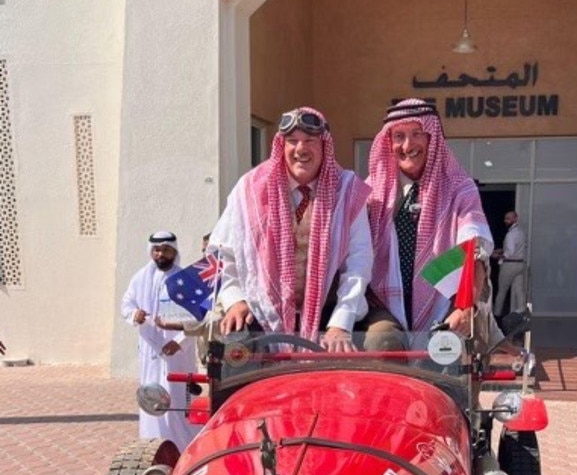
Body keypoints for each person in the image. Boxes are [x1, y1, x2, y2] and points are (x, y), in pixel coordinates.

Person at [207, 106, 405, 352]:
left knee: (384, 338)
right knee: (232, 343)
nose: (300, 149)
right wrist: (235, 300)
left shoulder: (347, 191)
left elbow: (358, 264)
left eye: (310, 140)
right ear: (282, 145)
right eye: (292, 141)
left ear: (324, 146)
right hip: (264, 308)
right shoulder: (249, 189)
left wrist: (340, 324)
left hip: (330, 307)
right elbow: (222, 254)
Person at [367, 98, 499, 348]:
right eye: (399, 136)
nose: (407, 145)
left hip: (445, 306)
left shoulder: (460, 189)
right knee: (380, 342)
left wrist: (463, 307)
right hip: (385, 306)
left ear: (431, 138)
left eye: (417, 134)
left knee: (447, 363)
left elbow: (475, 252)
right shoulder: (372, 191)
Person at [120, 230, 197, 451]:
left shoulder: (185, 280)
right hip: (150, 351)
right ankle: (153, 447)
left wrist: (179, 341)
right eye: (156, 250)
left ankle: (183, 449)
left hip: (177, 353)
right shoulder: (140, 278)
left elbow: (197, 317)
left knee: (176, 400)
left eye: (165, 249)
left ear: (174, 251)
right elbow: (127, 304)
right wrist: (134, 315)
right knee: (150, 398)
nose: (160, 254)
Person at [493, 210, 527, 319]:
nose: (506, 221)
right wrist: (502, 250)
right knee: (519, 289)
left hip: (509, 265)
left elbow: (510, 252)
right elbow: (516, 249)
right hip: (520, 264)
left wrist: (497, 255)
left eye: (508, 218)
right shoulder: (521, 232)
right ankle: (521, 312)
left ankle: (496, 314)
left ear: (515, 219)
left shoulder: (510, 234)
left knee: (502, 291)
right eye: (506, 218)